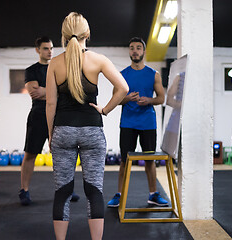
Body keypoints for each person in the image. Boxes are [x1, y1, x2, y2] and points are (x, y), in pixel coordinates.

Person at [46, 12, 128, 240]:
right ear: (87, 34)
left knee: (62, 192)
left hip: (62, 131)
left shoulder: (54, 63)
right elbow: (123, 88)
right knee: (94, 191)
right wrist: (105, 109)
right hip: (92, 131)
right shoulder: (99, 60)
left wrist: (51, 135)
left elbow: (50, 103)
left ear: (62, 36)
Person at [107, 37, 168, 208]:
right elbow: (115, 100)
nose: (135, 51)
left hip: (148, 123)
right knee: (125, 161)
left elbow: (162, 98)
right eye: (132, 48)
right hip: (128, 123)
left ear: (144, 51)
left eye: (138, 48)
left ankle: (153, 195)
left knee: (149, 160)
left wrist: (149, 100)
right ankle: (120, 195)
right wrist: (126, 98)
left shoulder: (153, 74)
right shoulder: (122, 75)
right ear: (129, 52)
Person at [19, 37, 79, 206]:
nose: (49, 51)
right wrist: (57, 91)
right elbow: (35, 92)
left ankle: (67, 189)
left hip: (59, 116)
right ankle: (24, 190)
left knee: (62, 155)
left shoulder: (60, 67)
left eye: (51, 48)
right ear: (38, 50)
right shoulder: (31, 70)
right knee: (30, 154)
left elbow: (69, 91)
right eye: (45, 48)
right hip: (38, 116)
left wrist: (48, 91)